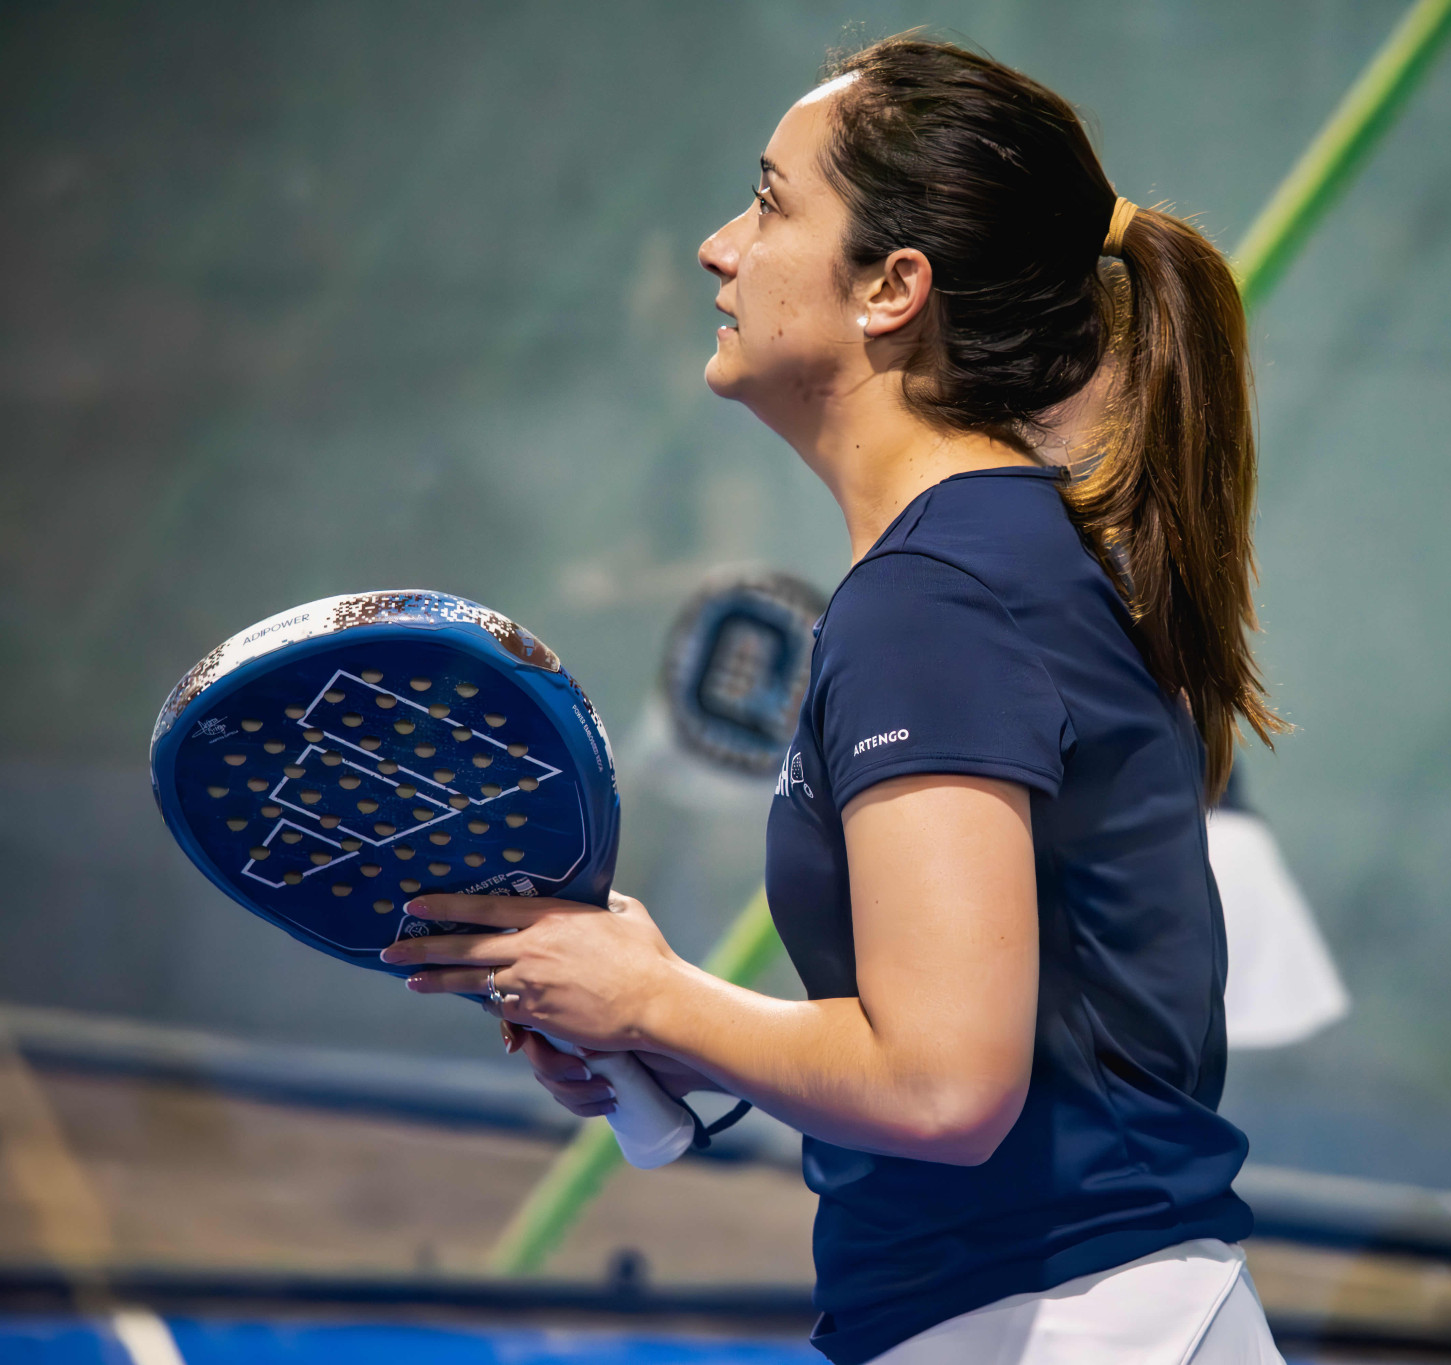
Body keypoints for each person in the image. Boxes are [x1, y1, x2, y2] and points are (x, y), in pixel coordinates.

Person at [383, 35, 1287, 1364]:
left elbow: (943, 1085)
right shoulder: (986, 563)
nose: (717, 248)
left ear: (891, 288)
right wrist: (668, 1024)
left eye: (768, 202)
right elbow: (999, 1054)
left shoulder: (936, 600)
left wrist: (650, 1001)